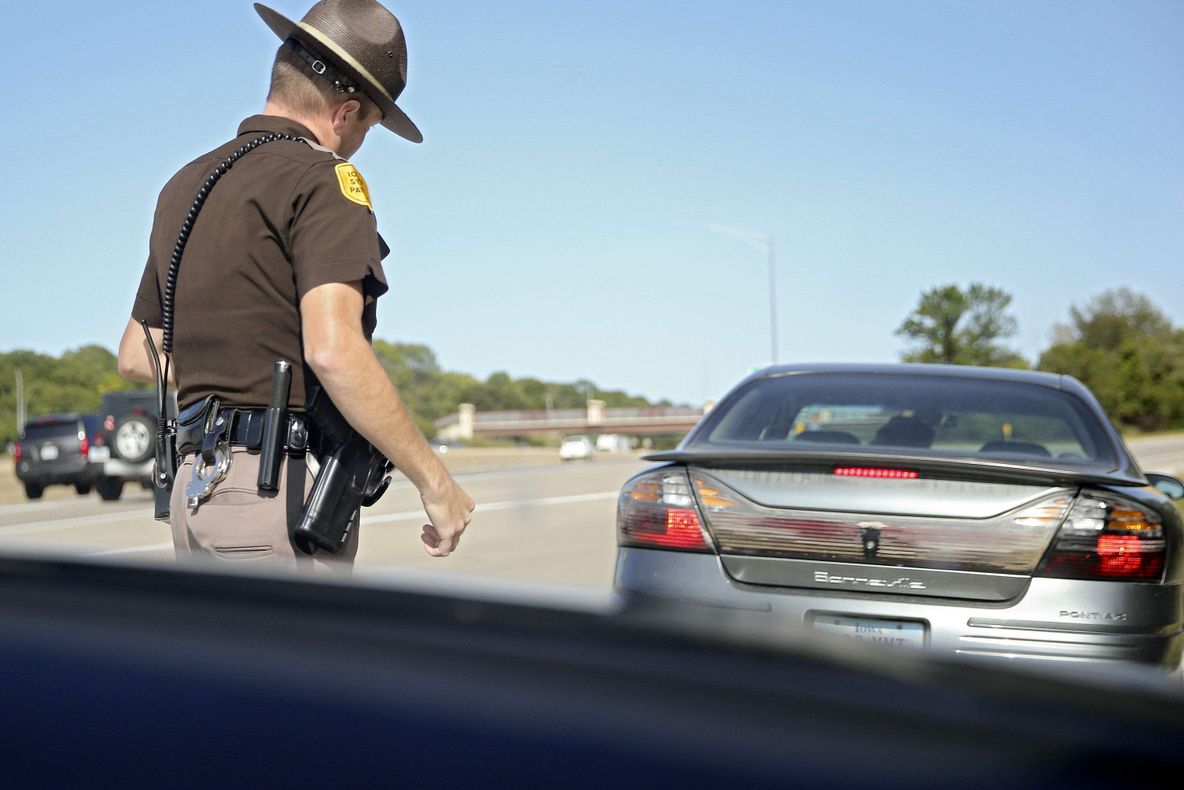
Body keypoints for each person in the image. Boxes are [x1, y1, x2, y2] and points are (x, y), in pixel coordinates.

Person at [116, 0, 474, 571]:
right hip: (269, 496)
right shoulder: (326, 180)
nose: (357, 144)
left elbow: (139, 355)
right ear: (346, 113)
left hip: (193, 494)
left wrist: (229, 386)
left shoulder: (184, 185)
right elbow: (332, 350)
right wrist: (435, 481)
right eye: (368, 129)